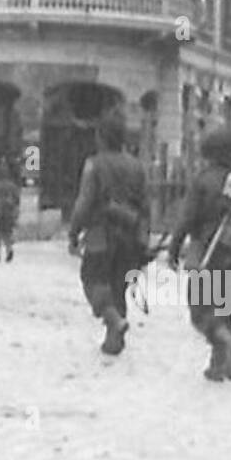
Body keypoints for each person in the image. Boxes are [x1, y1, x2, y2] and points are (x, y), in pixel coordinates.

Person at [168, 126, 231, 382]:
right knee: (225, 310)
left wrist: (174, 247)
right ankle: (218, 364)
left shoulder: (202, 180)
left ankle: (229, 343)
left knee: (201, 311)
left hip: (208, 254)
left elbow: (187, 218)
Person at [68, 109, 149, 357]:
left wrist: (73, 231)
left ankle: (113, 320)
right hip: (130, 234)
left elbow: (84, 201)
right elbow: (146, 206)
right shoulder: (137, 166)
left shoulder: (94, 164)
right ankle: (114, 338)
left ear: (101, 137)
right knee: (118, 286)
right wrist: (143, 238)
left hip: (100, 233)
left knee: (93, 280)